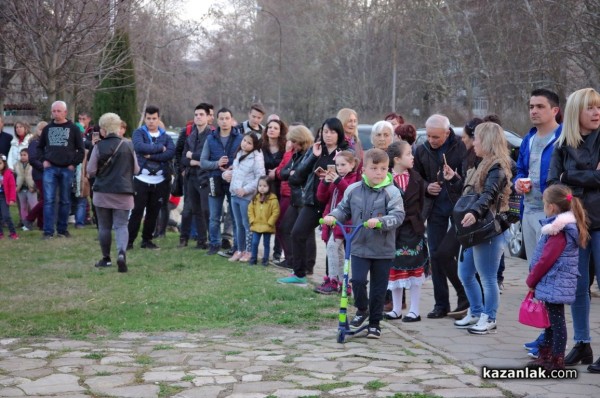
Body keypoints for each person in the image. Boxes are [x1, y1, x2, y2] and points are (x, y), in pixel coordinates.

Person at [323, 148, 405, 339]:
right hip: (359, 245)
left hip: (383, 249)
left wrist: (382, 222)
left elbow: (398, 216)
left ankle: (375, 323)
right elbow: (343, 209)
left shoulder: (392, 192)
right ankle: (362, 309)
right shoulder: (354, 190)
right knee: (357, 281)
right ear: (363, 170)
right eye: (374, 168)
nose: (379, 172)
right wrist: (332, 216)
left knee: (378, 288)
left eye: (383, 168)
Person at [547, 87, 600, 372]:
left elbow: (565, 181)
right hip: (574, 226)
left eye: (598, 108)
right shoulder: (562, 145)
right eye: (590, 108)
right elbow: (554, 186)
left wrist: (572, 178)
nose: (596, 113)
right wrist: (590, 178)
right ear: (575, 112)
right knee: (578, 288)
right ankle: (582, 344)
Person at [450, 122, 512, 334]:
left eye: (476, 138)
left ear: (486, 140)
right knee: (465, 273)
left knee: (487, 277)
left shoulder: (497, 167)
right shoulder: (481, 163)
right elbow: (469, 193)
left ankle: (490, 316)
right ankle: (475, 311)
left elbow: (489, 194)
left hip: (488, 229)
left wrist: (474, 213)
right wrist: (454, 181)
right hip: (472, 229)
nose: (473, 142)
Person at [278, 118, 349, 285]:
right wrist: (313, 158)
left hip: (335, 204)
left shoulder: (346, 152)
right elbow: (296, 178)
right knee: (297, 233)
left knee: (332, 243)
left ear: (339, 133)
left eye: (332, 132)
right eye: (325, 131)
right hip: (313, 201)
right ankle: (299, 274)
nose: (328, 135)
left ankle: (332, 280)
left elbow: (352, 176)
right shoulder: (315, 149)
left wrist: (336, 173)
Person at [525, 184, 588, 371]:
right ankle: (547, 355)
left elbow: (546, 259)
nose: (544, 207)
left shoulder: (558, 230)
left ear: (551, 207)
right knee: (551, 321)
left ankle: (556, 360)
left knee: (556, 322)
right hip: (554, 281)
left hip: (555, 281)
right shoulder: (561, 227)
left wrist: (531, 280)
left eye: (544, 204)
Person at [413, 114, 468, 319]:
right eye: (428, 136)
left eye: (436, 137)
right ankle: (441, 304)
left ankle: (464, 295)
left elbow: (467, 179)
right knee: (435, 255)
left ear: (447, 132)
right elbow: (415, 177)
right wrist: (428, 186)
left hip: (458, 206)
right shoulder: (421, 149)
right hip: (435, 207)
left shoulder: (460, 147)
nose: (431, 140)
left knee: (451, 255)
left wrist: (453, 178)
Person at [87, 113, 139, 272]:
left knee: (104, 226)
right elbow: (136, 170)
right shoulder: (128, 145)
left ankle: (106, 258)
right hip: (124, 192)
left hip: (102, 192)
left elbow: (91, 171)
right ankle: (122, 253)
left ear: (103, 130)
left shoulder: (98, 146)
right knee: (122, 225)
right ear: (118, 128)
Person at [515, 89, 562, 261]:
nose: (534, 111)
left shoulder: (563, 137)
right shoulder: (529, 138)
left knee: (550, 266)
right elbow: (520, 169)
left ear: (554, 111)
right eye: (531, 106)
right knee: (533, 266)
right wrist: (518, 182)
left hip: (552, 212)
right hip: (527, 210)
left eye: (540, 106)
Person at [385, 140, 426, 322]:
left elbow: (422, 203)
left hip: (412, 229)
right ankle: (396, 308)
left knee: (413, 268)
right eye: (408, 154)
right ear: (396, 159)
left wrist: (419, 220)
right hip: (393, 230)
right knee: (394, 269)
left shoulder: (416, 178)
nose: (412, 157)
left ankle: (415, 310)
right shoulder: (386, 178)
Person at [127, 105, 175, 250]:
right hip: (141, 179)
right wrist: (160, 149)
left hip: (160, 181)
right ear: (145, 118)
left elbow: (170, 153)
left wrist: (151, 156)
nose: (151, 121)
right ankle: (129, 241)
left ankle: (147, 240)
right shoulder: (138, 133)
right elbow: (140, 147)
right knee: (137, 211)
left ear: (158, 119)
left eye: (154, 118)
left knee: (154, 212)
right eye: (148, 118)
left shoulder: (165, 136)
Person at [37, 101, 85, 239]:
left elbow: (81, 150)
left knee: (65, 200)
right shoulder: (47, 129)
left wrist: (73, 164)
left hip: (66, 169)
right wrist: (43, 160)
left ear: (65, 112)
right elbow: (39, 148)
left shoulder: (73, 129)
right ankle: (48, 231)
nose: (56, 113)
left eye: (59, 111)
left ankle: (62, 230)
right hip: (50, 168)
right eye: (54, 111)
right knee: (49, 200)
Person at [314, 150, 360, 294]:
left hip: (344, 221)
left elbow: (349, 193)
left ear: (352, 165)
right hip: (331, 219)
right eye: (337, 165)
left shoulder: (355, 179)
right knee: (338, 253)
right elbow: (321, 197)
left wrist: (338, 181)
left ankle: (333, 280)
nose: (339, 168)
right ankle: (344, 283)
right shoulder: (335, 179)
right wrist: (325, 183)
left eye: (343, 164)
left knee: (333, 248)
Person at [201, 107, 243, 255]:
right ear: (217, 120)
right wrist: (217, 164)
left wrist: (233, 168)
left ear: (232, 120)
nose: (224, 121)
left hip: (234, 180)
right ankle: (214, 244)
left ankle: (237, 246)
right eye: (221, 119)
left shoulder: (240, 138)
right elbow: (203, 162)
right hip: (215, 180)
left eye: (227, 118)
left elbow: (245, 161)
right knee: (214, 216)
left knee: (235, 215)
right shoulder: (211, 138)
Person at [276, 125, 314, 269]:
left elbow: (300, 175)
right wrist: (293, 173)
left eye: (294, 141)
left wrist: (293, 174)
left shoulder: (310, 154)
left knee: (307, 233)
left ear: (301, 140)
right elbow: (284, 173)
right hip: (295, 197)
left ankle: (308, 265)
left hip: (305, 198)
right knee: (285, 227)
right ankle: (292, 259)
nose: (292, 145)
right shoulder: (295, 154)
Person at [224, 133, 265, 262]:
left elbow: (260, 177)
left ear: (255, 145)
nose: (245, 144)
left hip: (246, 197)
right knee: (238, 224)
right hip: (234, 194)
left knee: (247, 224)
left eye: (249, 143)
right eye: (244, 141)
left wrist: (245, 189)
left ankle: (250, 251)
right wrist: (226, 174)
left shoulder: (257, 157)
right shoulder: (239, 154)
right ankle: (239, 250)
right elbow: (235, 172)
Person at [178, 103, 213, 249]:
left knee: (206, 210)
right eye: (196, 114)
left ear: (208, 117)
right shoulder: (191, 135)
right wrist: (194, 161)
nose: (198, 117)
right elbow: (183, 158)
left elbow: (209, 156)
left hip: (205, 177)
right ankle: (196, 240)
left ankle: (210, 240)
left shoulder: (211, 135)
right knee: (192, 209)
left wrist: (193, 157)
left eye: (201, 114)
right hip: (191, 177)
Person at [262, 119, 287, 261]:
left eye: (275, 128)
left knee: (279, 220)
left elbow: (287, 164)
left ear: (280, 131)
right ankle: (264, 251)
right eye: (269, 127)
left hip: (279, 187)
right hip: (264, 187)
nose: (271, 130)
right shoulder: (261, 147)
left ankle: (277, 251)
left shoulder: (284, 148)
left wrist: (277, 171)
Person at [248, 176, 280, 265]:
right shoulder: (255, 198)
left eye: (265, 186)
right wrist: (252, 220)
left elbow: (276, 212)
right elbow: (250, 209)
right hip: (256, 224)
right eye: (260, 185)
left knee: (266, 244)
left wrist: (270, 222)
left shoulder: (273, 199)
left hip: (267, 226)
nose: (262, 188)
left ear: (269, 187)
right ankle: (253, 259)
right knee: (254, 243)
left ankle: (265, 260)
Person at [25, 121, 47, 230]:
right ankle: (29, 218)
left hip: (45, 173)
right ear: (37, 130)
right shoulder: (34, 142)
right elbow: (32, 159)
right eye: (40, 129)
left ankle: (41, 224)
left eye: (45, 129)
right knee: (46, 199)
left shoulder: (46, 142)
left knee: (44, 199)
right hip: (39, 174)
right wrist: (44, 167)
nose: (42, 131)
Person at [14, 148, 37, 227]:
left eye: (25, 155)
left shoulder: (33, 164)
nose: (22, 157)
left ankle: (35, 222)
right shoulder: (16, 165)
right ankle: (25, 223)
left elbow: (36, 176)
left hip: (31, 189)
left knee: (34, 206)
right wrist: (16, 186)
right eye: (21, 155)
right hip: (20, 188)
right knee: (23, 207)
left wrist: (34, 187)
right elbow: (14, 176)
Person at [0, 155, 19, 239]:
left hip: (4, 196)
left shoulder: (8, 174)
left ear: (4, 163)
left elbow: (12, 187)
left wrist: (12, 199)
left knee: (6, 215)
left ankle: (13, 233)